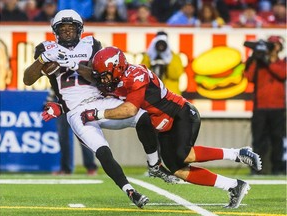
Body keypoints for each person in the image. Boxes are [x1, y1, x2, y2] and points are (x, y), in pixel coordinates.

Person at [23, 9, 176, 208]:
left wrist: (74, 65)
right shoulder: (46, 48)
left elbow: (99, 76)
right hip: (77, 111)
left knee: (144, 117)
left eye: (71, 28)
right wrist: (43, 59)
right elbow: (27, 79)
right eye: (63, 29)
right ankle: (130, 191)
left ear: (79, 30)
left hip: (101, 101)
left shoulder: (91, 45)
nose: (67, 32)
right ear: (55, 31)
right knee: (102, 151)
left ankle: (154, 165)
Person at [81, 46, 263, 209]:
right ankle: (233, 186)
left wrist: (97, 114)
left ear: (117, 68)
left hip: (180, 114)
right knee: (179, 170)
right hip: (164, 124)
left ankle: (238, 153)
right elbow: (91, 75)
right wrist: (69, 66)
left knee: (184, 154)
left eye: (105, 75)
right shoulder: (115, 77)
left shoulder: (135, 76)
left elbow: (130, 110)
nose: (103, 80)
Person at [244, 35, 286, 175]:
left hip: (278, 107)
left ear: (280, 47)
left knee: (277, 138)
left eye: (275, 44)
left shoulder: (282, 63)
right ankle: (256, 169)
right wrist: (255, 58)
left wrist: (267, 62)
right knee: (258, 140)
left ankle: (278, 168)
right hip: (260, 107)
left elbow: (282, 74)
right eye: (271, 44)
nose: (273, 47)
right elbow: (249, 77)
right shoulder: (259, 62)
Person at [45, 88, 98, 175]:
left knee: (84, 137)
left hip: (78, 103)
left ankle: (90, 167)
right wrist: (49, 101)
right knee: (63, 139)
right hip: (61, 104)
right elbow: (53, 83)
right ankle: (66, 168)